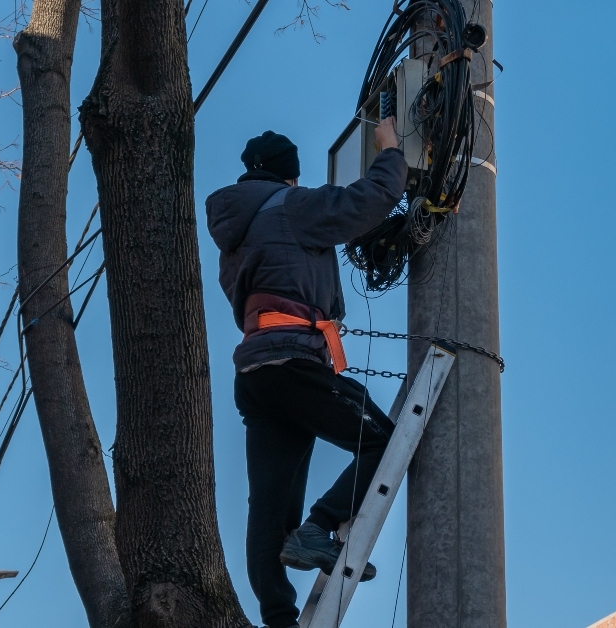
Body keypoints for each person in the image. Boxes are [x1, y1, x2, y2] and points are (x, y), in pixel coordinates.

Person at [205, 118, 408, 628]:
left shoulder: (236, 232)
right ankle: (318, 527)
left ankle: (278, 617)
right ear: (290, 177)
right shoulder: (292, 207)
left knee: (269, 503)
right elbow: (367, 200)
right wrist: (391, 152)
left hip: (256, 373)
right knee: (385, 439)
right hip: (294, 360)